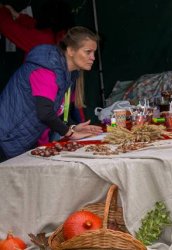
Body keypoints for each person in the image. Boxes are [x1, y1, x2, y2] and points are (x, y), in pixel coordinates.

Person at [0, 26, 103, 162]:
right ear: (71, 50)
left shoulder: (69, 74)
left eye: (94, 53)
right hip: (6, 137)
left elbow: (59, 112)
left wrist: (73, 127)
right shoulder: (47, 69)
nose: (93, 58)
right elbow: (45, 113)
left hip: (20, 139)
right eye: (88, 52)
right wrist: (71, 133)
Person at [0, 0, 74, 54]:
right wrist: (18, 16)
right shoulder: (63, 34)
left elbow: (8, 27)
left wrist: (1, 10)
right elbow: (40, 28)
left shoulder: (45, 40)